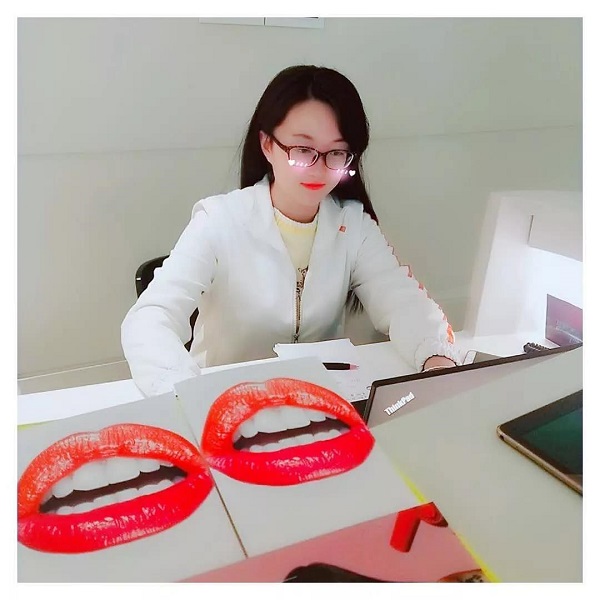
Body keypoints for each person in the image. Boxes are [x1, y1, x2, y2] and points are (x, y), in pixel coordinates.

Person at [121, 65, 460, 398]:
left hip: (319, 404)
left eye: (336, 153)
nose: (319, 168)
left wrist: (437, 360)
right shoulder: (220, 220)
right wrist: (182, 392)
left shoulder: (353, 226)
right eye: (302, 150)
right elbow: (150, 317)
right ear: (268, 145)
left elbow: (404, 302)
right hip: (225, 406)